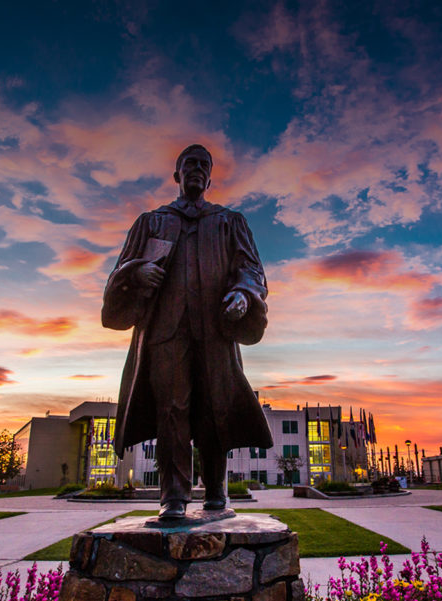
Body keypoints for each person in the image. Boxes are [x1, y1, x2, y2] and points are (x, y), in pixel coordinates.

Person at [102, 144, 273, 519]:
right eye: (189, 164)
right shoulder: (152, 222)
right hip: (166, 331)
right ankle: (174, 498)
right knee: (171, 410)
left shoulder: (229, 222)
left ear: (210, 179)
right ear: (176, 174)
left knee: (215, 408)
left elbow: (252, 270)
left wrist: (244, 294)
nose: (197, 169)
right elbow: (120, 271)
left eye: (204, 165)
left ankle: (215, 492)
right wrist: (137, 272)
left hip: (215, 330)